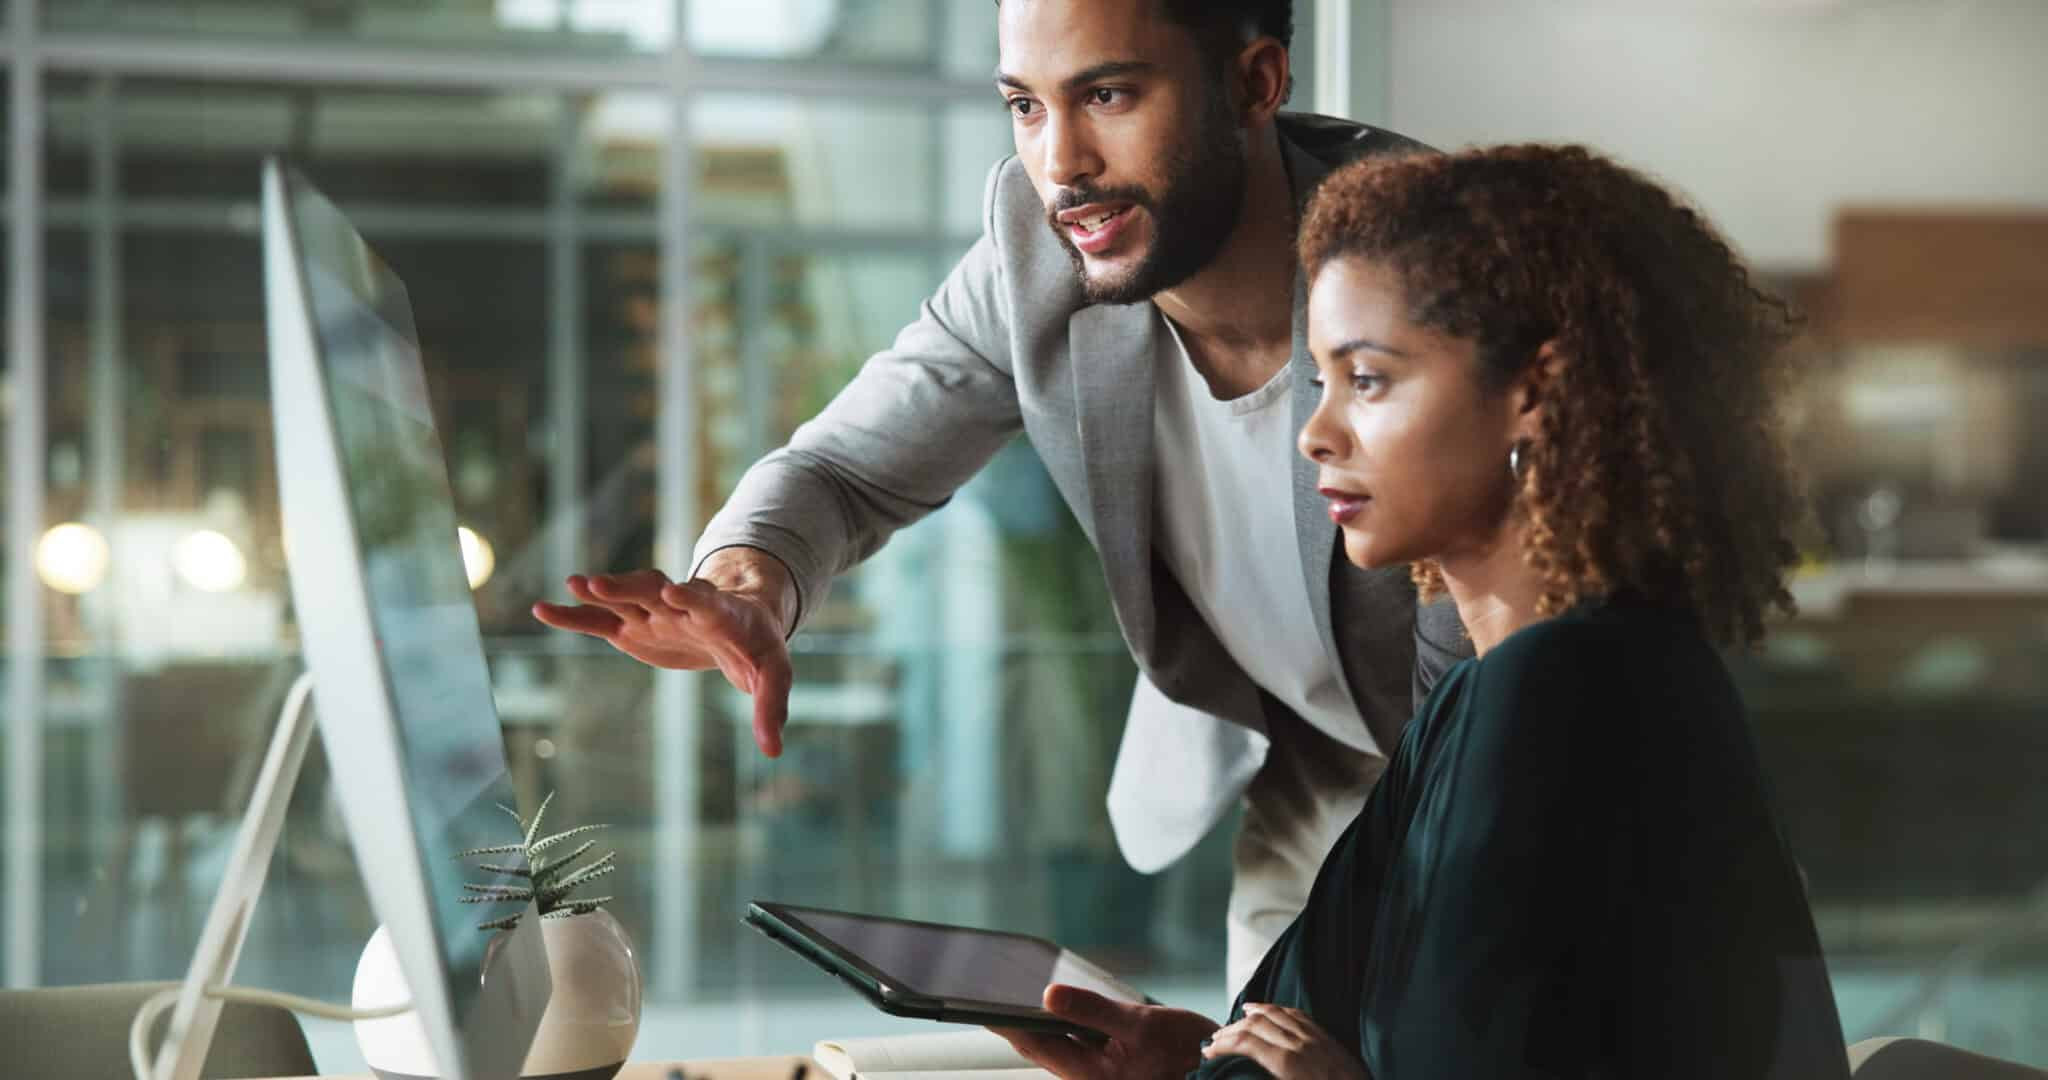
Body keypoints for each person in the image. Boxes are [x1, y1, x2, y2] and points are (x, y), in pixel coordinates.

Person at [534, 0, 1468, 995]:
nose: (1059, 160)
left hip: (1496, 765)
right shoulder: (1037, 252)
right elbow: (844, 470)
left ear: (1255, 82)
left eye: (1106, 94)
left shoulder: (1432, 263)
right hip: (1308, 763)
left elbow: (1514, 639)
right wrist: (749, 581)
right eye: (1024, 105)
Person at [993, 144, 1852, 1079]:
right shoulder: (1486, 696)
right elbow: (1319, 1018)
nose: (1317, 434)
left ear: (1533, 393)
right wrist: (1192, 1058)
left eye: (1367, 380)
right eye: (1320, 383)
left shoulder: (1560, 696)